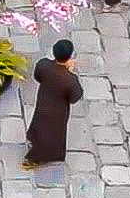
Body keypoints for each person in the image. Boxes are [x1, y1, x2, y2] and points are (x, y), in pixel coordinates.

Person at [22, 39, 84, 169]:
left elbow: (37, 77)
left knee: (39, 125)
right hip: (58, 112)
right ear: (69, 56)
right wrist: (69, 71)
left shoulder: (44, 65)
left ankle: (34, 139)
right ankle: (46, 155)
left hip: (43, 104)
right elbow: (75, 97)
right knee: (54, 133)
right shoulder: (70, 79)